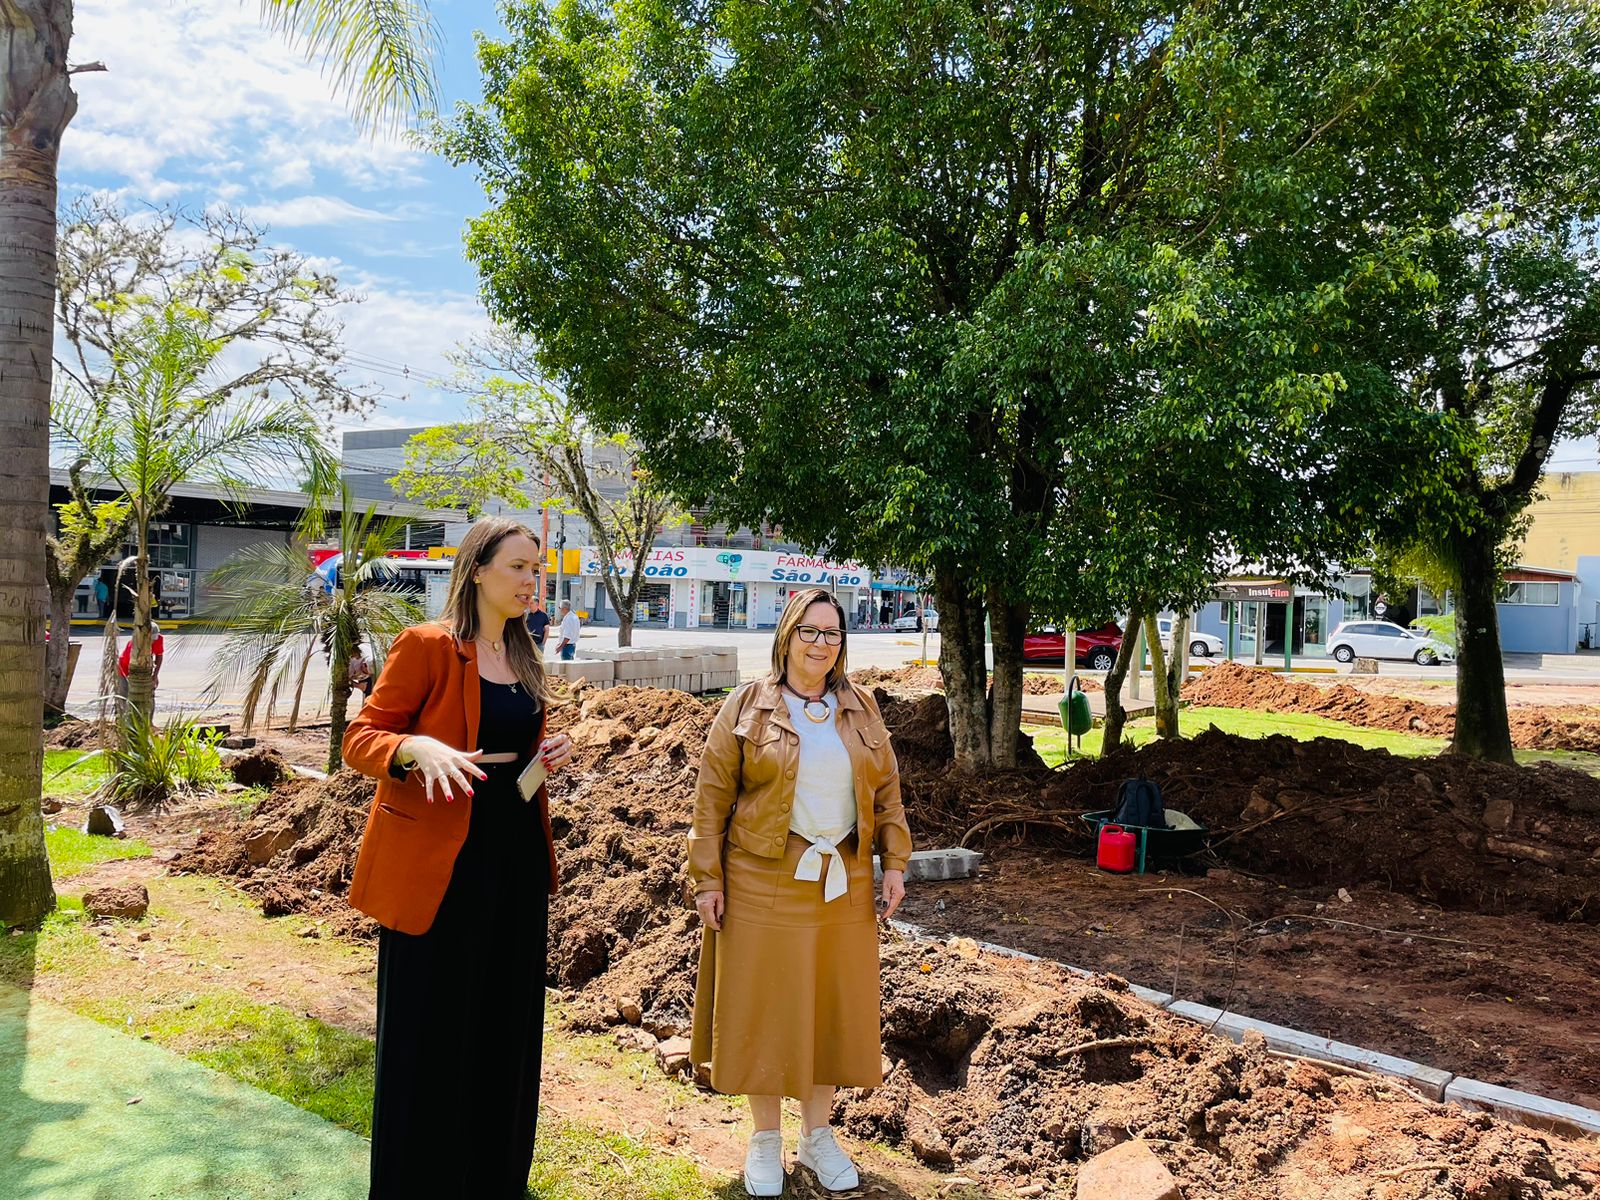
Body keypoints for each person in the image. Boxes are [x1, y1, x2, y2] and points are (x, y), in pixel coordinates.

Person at [341, 517, 576, 1199]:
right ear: (477, 571)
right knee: (431, 1031)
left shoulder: (526, 652)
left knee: (505, 1025)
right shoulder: (427, 646)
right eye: (519, 567)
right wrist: (416, 751)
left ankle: (494, 1180)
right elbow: (362, 738)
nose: (533, 580)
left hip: (516, 855)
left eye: (537, 569)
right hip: (440, 863)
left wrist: (548, 755)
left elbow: (514, 740)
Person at [688, 587, 912, 1197]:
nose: (821, 643)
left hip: (844, 878)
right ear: (786, 636)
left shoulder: (860, 708)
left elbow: (887, 792)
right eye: (810, 631)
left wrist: (894, 862)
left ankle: (818, 1136)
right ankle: (765, 1140)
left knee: (830, 1007)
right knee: (768, 1006)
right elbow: (711, 800)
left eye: (832, 633)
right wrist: (707, 876)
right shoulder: (746, 706)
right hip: (764, 875)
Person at [117, 621, 163, 698]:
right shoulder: (134, 645)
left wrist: (155, 676)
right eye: (151, 639)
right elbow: (132, 667)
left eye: (154, 638)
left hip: (145, 667)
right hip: (125, 667)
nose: (153, 641)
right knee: (124, 694)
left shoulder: (159, 639)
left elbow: (159, 655)